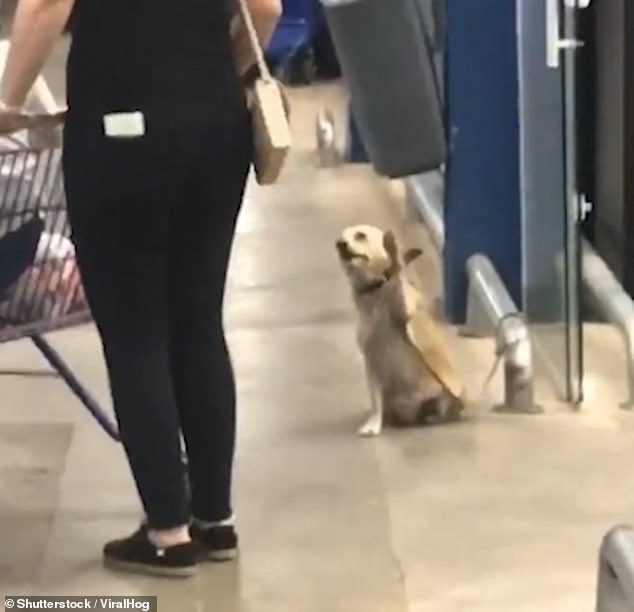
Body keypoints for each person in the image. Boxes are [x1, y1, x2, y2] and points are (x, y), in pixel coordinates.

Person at [0, 0, 281, 578]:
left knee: (135, 334)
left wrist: (6, 104)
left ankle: (167, 533)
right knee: (198, 321)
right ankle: (213, 518)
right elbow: (266, 9)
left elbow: (45, 6)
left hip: (120, 129)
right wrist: (204, 77)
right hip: (216, 123)